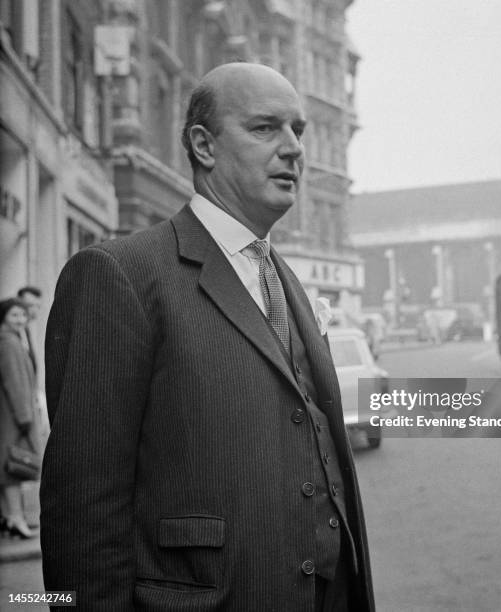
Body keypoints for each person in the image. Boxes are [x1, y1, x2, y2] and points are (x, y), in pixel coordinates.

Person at [41, 63, 374, 611]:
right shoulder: (120, 275)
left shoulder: (284, 279)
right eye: (266, 128)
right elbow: (82, 508)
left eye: (299, 131)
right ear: (204, 145)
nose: (293, 148)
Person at [0, 298, 40, 539]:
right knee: (12, 470)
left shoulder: (11, 340)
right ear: (4, 316)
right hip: (14, 417)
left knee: (8, 468)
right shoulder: (8, 343)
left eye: (23, 316)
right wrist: (25, 418)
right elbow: (15, 383)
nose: (21, 320)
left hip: (9, 415)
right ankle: (16, 519)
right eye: (15, 315)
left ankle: (11, 517)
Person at [16, 286, 42, 374]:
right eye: (30, 305)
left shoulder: (26, 329)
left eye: (38, 306)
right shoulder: (13, 331)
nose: (35, 310)